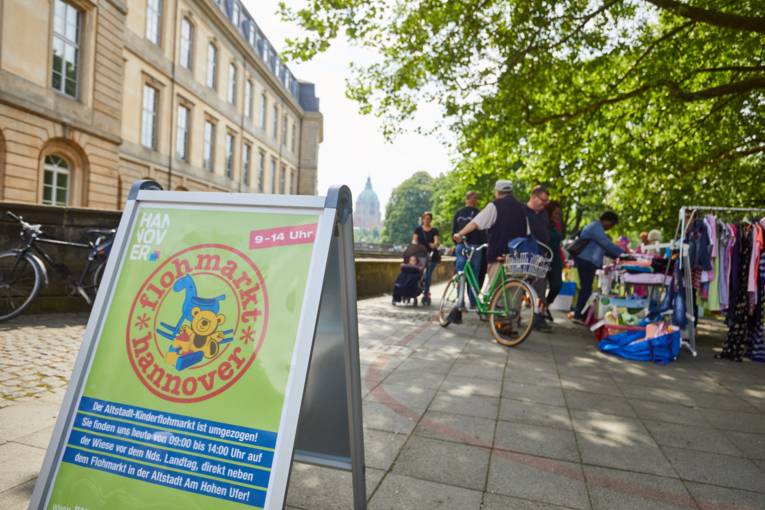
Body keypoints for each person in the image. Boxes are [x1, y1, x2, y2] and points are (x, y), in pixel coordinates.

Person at [452, 180, 526, 299]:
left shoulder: (495, 205)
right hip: (519, 255)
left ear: (497, 192)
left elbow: (476, 223)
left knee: (497, 291)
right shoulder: (522, 207)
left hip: (499, 252)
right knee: (513, 292)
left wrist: (460, 234)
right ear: (511, 192)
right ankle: (513, 315)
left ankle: (497, 314)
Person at [571, 211, 625, 324]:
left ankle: (580, 314)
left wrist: (619, 255)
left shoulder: (597, 228)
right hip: (586, 260)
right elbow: (606, 244)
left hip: (589, 261)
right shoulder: (596, 227)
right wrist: (623, 254)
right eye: (612, 224)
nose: (611, 227)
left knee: (586, 288)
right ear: (607, 221)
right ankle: (578, 315)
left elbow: (604, 249)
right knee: (586, 288)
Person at [452, 191, 486, 307]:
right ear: (467, 199)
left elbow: (483, 232)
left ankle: (473, 301)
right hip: (462, 245)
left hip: (476, 246)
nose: (475, 200)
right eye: (473, 198)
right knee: (461, 273)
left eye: (475, 198)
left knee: (474, 274)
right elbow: (454, 231)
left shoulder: (479, 213)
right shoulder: (459, 213)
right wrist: (457, 240)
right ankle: (460, 301)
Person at [525, 185, 552, 331]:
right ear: (534, 197)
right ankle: (512, 317)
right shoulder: (522, 211)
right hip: (524, 255)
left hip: (541, 255)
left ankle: (538, 318)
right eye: (543, 200)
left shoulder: (543, 214)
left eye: (546, 201)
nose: (544, 203)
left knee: (540, 287)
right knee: (519, 286)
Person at [412, 211, 440, 304]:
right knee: (419, 274)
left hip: (432, 255)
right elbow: (414, 240)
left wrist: (434, 244)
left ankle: (426, 293)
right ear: (422, 219)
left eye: (429, 219)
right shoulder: (418, 230)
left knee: (428, 275)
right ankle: (419, 288)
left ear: (431, 220)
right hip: (421, 254)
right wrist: (415, 245)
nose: (427, 220)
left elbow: (437, 241)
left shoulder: (434, 230)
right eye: (425, 218)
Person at [544, 201, 564, 321]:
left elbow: (558, 244)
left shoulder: (557, 225)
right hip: (544, 256)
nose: (558, 216)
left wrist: (562, 258)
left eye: (559, 214)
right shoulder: (544, 223)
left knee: (557, 285)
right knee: (539, 286)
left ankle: (546, 304)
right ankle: (540, 310)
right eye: (555, 213)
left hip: (555, 258)